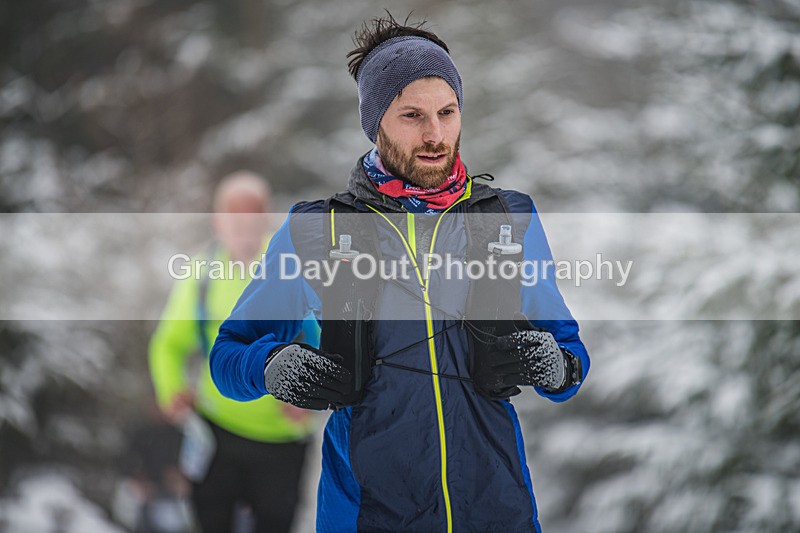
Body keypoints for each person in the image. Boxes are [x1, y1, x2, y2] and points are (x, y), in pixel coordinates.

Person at [209, 15, 590, 533]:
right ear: (376, 123)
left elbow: (570, 358)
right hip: (368, 515)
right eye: (412, 115)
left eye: (447, 112)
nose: (435, 134)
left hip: (496, 511)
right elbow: (227, 358)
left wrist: (556, 366)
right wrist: (270, 364)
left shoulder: (508, 218)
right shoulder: (317, 230)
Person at [149, 171, 319, 533]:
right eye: (233, 218)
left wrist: (308, 396)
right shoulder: (200, 276)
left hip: (281, 437)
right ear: (217, 221)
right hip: (214, 433)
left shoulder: (293, 266)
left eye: (252, 216)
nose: (243, 227)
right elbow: (168, 344)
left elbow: (327, 339)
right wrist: (171, 389)